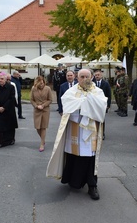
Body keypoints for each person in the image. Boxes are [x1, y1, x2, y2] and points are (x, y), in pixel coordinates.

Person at [46, 69, 108, 200]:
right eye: (82, 76)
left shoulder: (98, 92)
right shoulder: (72, 91)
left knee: (90, 158)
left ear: (91, 77)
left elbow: (102, 108)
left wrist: (86, 103)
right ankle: (73, 180)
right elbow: (67, 104)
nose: (85, 78)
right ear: (77, 78)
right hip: (76, 129)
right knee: (74, 156)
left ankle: (92, 185)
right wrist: (84, 103)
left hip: (91, 131)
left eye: (87, 76)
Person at [0, 73, 18, 150]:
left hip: (8, 110)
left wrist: (4, 107)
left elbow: (12, 98)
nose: (0, 80)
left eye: (2, 79)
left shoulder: (11, 87)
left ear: (6, 79)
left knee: (10, 126)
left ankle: (9, 140)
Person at [30, 76, 52, 152]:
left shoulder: (48, 89)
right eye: (40, 84)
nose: (41, 85)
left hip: (45, 110)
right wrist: (36, 106)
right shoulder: (33, 89)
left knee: (43, 127)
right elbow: (32, 100)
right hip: (37, 110)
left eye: (42, 83)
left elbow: (50, 100)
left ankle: (42, 143)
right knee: (37, 127)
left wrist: (43, 105)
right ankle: (43, 139)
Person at [94, 69, 111, 139]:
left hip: (102, 105)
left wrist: (108, 105)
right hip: (94, 104)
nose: (97, 76)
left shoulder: (106, 84)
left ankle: (102, 133)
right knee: (94, 119)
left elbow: (109, 94)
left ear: (101, 75)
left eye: (98, 75)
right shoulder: (92, 83)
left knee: (102, 119)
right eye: (96, 75)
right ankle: (95, 132)